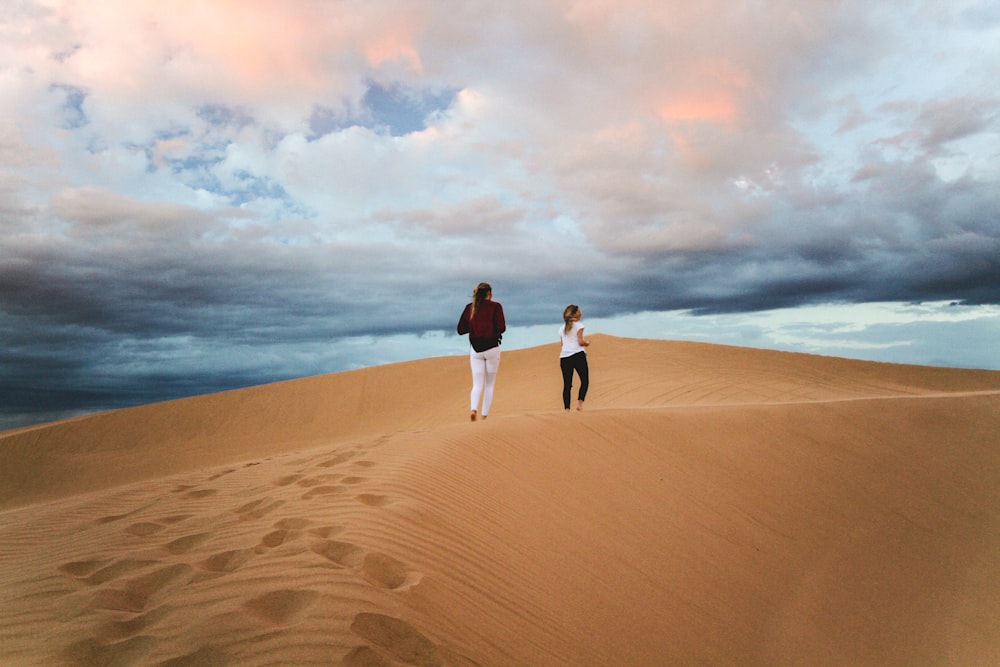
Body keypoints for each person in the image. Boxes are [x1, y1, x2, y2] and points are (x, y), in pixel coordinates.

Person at [457, 282, 506, 421]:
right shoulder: (496, 306)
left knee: (477, 384)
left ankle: (474, 409)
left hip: (476, 350)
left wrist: (474, 328)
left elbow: (460, 329)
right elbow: (502, 327)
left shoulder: (469, 308)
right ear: (489, 294)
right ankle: (484, 416)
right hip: (492, 349)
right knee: (490, 384)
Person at [559, 304, 590, 411]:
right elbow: (580, 342)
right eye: (579, 310)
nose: (581, 311)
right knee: (584, 380)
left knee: (567, 384)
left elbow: (562, 344)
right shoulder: (579, 325)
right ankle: (579, 404)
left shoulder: (562, 328)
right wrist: (587, 343)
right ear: (574, 313)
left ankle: (567, 409)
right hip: (577, 355)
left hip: (564, 357)